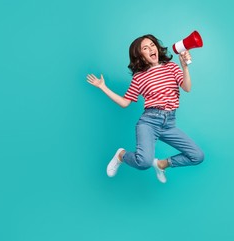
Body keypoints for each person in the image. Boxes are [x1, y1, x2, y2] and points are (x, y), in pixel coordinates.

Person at [86, 34, 204, 183]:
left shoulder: (171, 67)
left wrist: (184, 67)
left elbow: (187, 87)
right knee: (144, 163)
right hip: (149, 122)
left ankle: (161, 164)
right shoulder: (139, 77)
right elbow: (124, 103)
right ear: (140, 55)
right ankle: (121, 155)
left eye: (152, 45)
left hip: (169, 123)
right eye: (145, 48)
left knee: (197, 156)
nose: (151, 49)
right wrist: (103, 87)